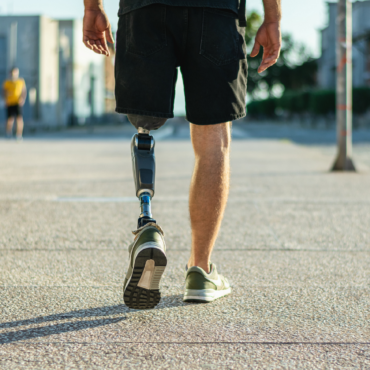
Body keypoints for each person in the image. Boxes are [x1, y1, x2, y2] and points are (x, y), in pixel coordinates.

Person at [83, 0, 281, 309]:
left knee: (143, 125)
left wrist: (92, 6)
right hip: (216, 12)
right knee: (213, 140)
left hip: (144, 8)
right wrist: (273, 18)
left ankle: (147, 225)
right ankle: (200, 271)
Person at [2, 68, 27, 140]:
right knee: (10, 119)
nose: (13, 75)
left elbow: (24, 91)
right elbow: (3, 91)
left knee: (19, 119)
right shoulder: (7, 82)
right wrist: (5, 100)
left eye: (15, 73)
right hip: (10, 102)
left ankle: (19, 134)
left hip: (18, 102)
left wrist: (22, 99)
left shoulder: (20, 81)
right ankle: (8, 133)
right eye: (12, 73)